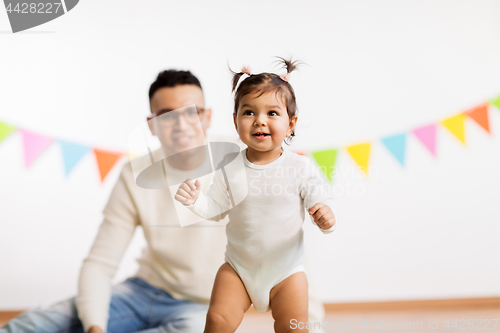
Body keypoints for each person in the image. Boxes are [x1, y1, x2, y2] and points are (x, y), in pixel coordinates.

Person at [1, 69, 328, 333]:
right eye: (167, 116)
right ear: (151, 125)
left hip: (199, 306)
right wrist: (94, 327)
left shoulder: (248, 159)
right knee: (34, 325)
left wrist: (309, 322)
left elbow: (284, 244)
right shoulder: (135, 174)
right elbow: (100, 263)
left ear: (210, 116)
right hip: (141, 291)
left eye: (192, 113)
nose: (182, 124)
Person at [174, 58, 338, 333]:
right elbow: (215, 208)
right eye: (248, 112)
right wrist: (196, 201)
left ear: (291, 124)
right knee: (217, 321)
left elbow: (320, 199)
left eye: (272, 113)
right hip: (239, 268)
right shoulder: (230, 167)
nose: (259, 121)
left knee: (294, 328)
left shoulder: (299, 167)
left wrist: (325, 216)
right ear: (236, 121)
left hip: (286, 271)